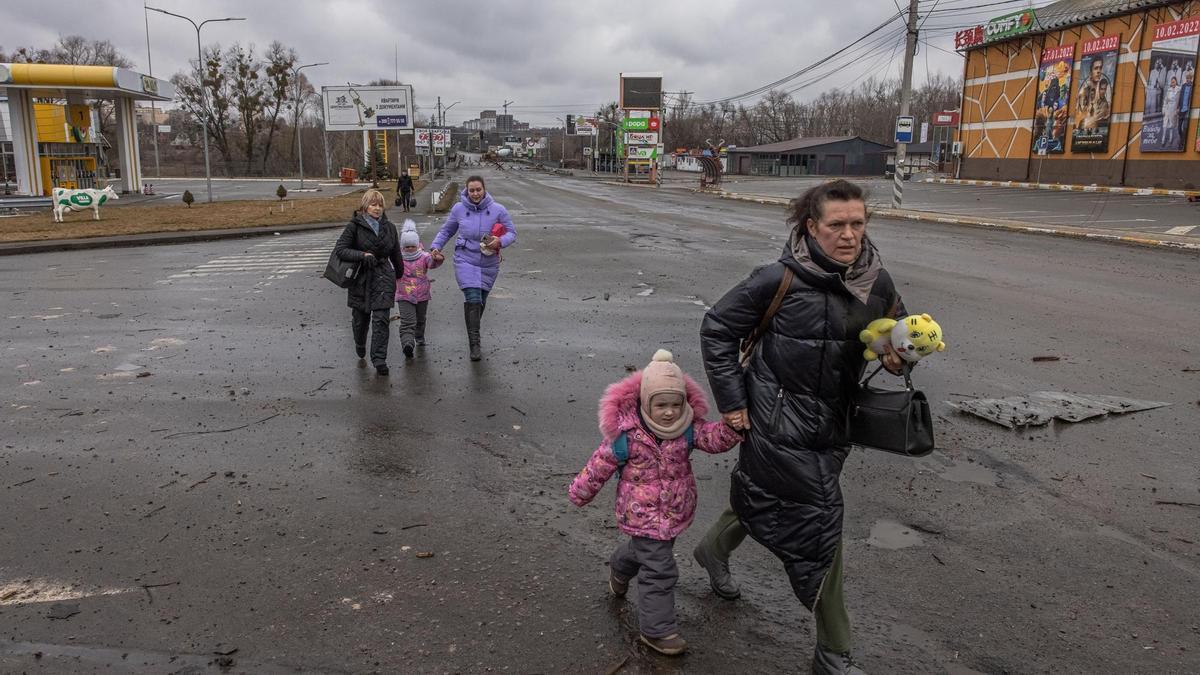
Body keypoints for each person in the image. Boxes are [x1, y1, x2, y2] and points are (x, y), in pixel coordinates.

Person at [695, 179, 907, 675]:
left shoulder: (876, 281)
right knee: (820, 522)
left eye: (858, 223)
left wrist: (898, 356)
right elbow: (717, 328)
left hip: (835, 425)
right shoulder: (778, 279)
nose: (850, 235)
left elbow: (893, 331)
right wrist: (732, 403)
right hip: (777, 422)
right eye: (837, 225)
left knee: (770, 499)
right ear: (812, 226)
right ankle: (833, 652)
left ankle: (712, 550)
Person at [568, 349, 741, 656]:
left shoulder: (687, 428)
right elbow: (598, 465)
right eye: (661, 405)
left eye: (676, 404)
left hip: (674, 509)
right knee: (659, 568)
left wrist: (731, 428)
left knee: (644, 552)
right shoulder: (626, 436)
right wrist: (580, 492)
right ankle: (657, 630)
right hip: (640, 512)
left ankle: (620, 568)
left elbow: (713, 439)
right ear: (646, 402)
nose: (669, 412)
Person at [430, 175, 516, 362]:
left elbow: (512, 233)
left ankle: (473, 331)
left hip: (488, 262)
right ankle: (474, 344)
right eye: (472, 190)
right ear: (467, 191)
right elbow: (447, 230)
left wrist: (499, 241)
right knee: (473, 298)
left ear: (484, 189)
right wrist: (436, 247)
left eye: (478, 190)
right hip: (465, 258)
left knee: (480, 302)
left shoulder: (498, 209)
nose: (475, 193)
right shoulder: (459, 209)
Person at [333, 189, 404, 375]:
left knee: (381, 320)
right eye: (373, 204)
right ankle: (360, 342)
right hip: (361, 278)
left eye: (380, 205)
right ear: (365, 206)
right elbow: (340, 250)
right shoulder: (354, 226)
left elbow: (396, 253)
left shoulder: (389, 227)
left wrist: (400, 273)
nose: (377, 208)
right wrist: (362, 255)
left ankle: (379, 359)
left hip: (383, 277)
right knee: (360, 319)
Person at [394, 220, 442, 358]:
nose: (409, 249)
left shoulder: (424, 256)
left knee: (420, 319)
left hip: (422, 294)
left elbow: (432, 263)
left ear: (417, 245)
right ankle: (407, 343)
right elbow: (390, 269)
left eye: (412, 246)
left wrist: (437, 258)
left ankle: (419, 336)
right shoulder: (397, 258)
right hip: (404, 295)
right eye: (406, 246)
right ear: (402, 246)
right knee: (407, 321)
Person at [1162, 77, 1181, 149]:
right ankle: (1163, 139)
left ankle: (1170, 138)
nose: (1172, 83)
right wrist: (1163, 109)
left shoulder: (1179, 90)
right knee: (1165, 123)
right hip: (1167, 108)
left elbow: (1180, 100)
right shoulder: (1168, 90)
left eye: (1174, 82)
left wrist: (1178, 109)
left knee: (1171, 124)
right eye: (1171, 82)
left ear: (1176, 82)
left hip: (1174, 109)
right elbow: (1165, 100)